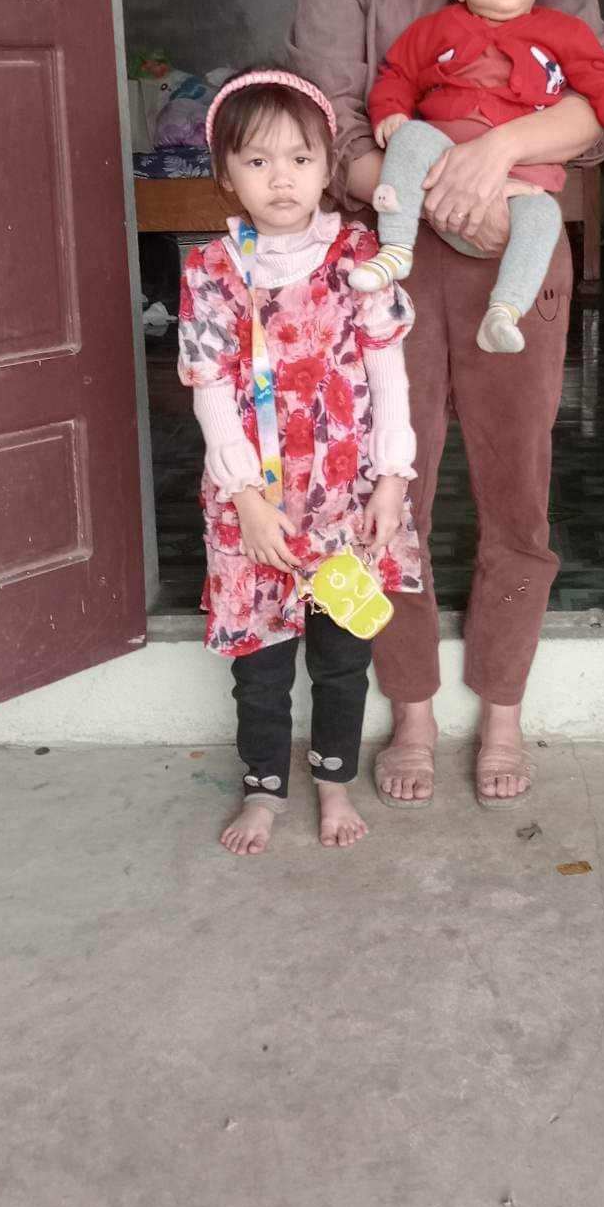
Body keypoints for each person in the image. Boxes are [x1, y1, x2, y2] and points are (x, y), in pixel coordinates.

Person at [288, 0, 604, 807]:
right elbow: (328, 119)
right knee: (387, 492)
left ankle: (505, 707)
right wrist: (427, 184)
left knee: (517, 490)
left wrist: (496, 149)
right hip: (385, 262)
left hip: (514, 260)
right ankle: (412, 707)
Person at [178, 68, 421, 855]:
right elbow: (212, 388)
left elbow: (387, 372)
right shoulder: (211, 270)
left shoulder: (360, 257)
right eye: (257, 161)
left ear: (327, 167)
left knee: (343, 658)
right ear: (226, 174)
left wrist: (392, 479)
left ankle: (333, 782)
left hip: (347, 501)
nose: (280, 178)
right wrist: (246, 499)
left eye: (299, 158)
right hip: (256, 507)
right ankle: (263, 791)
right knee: (261, 664)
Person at [349, 0, 604, 356]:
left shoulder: (565, 32)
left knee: (545, 219)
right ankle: (396, 251)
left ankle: (504, 311)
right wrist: (390, 111)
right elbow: (396, 73)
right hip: (443, 173)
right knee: (409, 138)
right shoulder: (436, 29)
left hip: (520, 190)